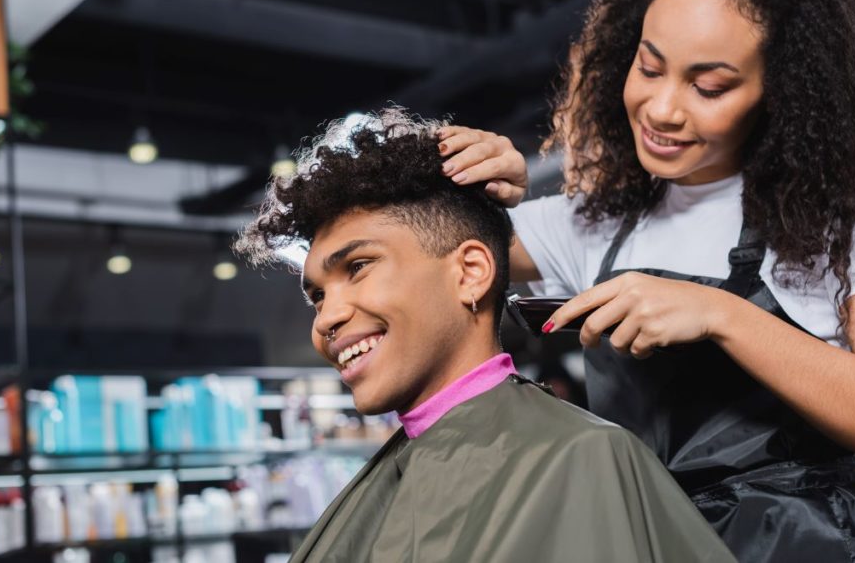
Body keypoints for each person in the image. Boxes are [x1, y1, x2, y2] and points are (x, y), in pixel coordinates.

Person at [436, 0, 855, 560]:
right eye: (649, 68)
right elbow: (440, 249)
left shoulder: (845, 224)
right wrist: (481, 182)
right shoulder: (592, 224)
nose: (664, 108)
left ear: (783, 92)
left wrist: (721, 315)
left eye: (709, 87)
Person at [236, 109, 736, 563]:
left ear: (471, 272)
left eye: (359, 266)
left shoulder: (582, 461)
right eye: (318, 296)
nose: (325, 320)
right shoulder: (390, 480)